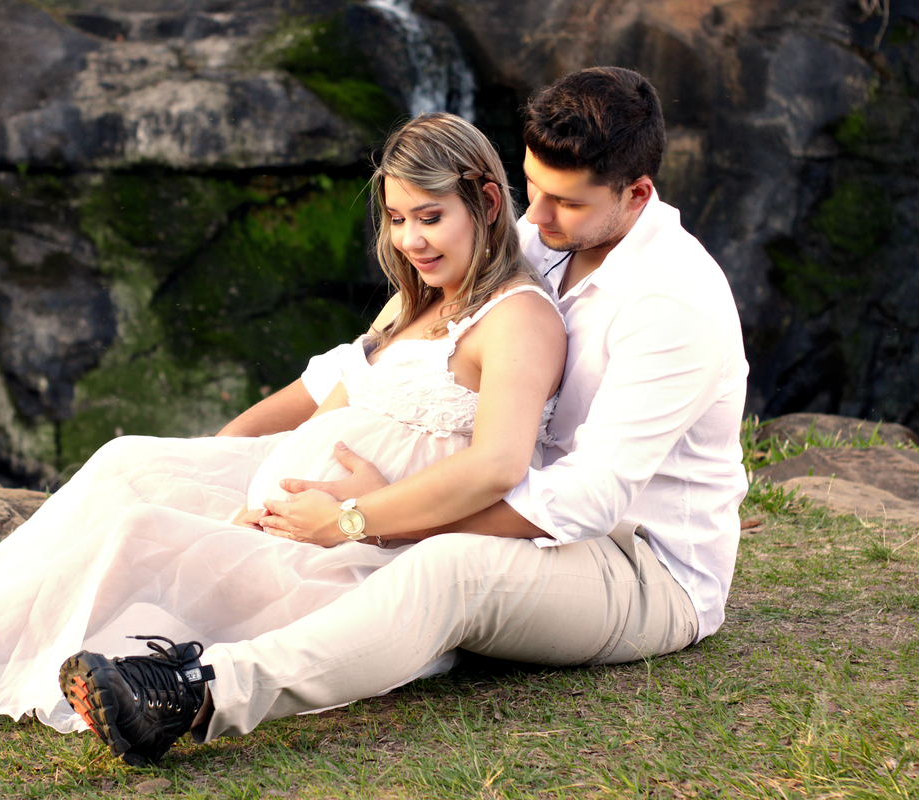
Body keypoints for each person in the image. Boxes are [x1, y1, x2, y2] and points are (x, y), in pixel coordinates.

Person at [0, 113, 568, 765]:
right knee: (128, 460)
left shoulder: (517, 321)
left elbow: (495, 467)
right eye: (396, 219)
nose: (412, 239)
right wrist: (236, 470)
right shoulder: (417, 299)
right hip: (296, 511)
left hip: (356, 553)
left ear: (487, 203)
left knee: (138, 532)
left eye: (430, 217)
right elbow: (337, 402)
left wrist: (352, 515)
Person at [58, 66, 748, 764]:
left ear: (637, 194)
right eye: (531, 188)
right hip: (509, 505)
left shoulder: (673, 303)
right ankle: (49, 607)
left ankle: (196, 692)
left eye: (564, 202)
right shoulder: (549, 238)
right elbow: (390, 353)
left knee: (450, 569)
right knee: (180, 473)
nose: (534, 219)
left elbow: (584, 501)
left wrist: (369, 518)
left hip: (638, 566)